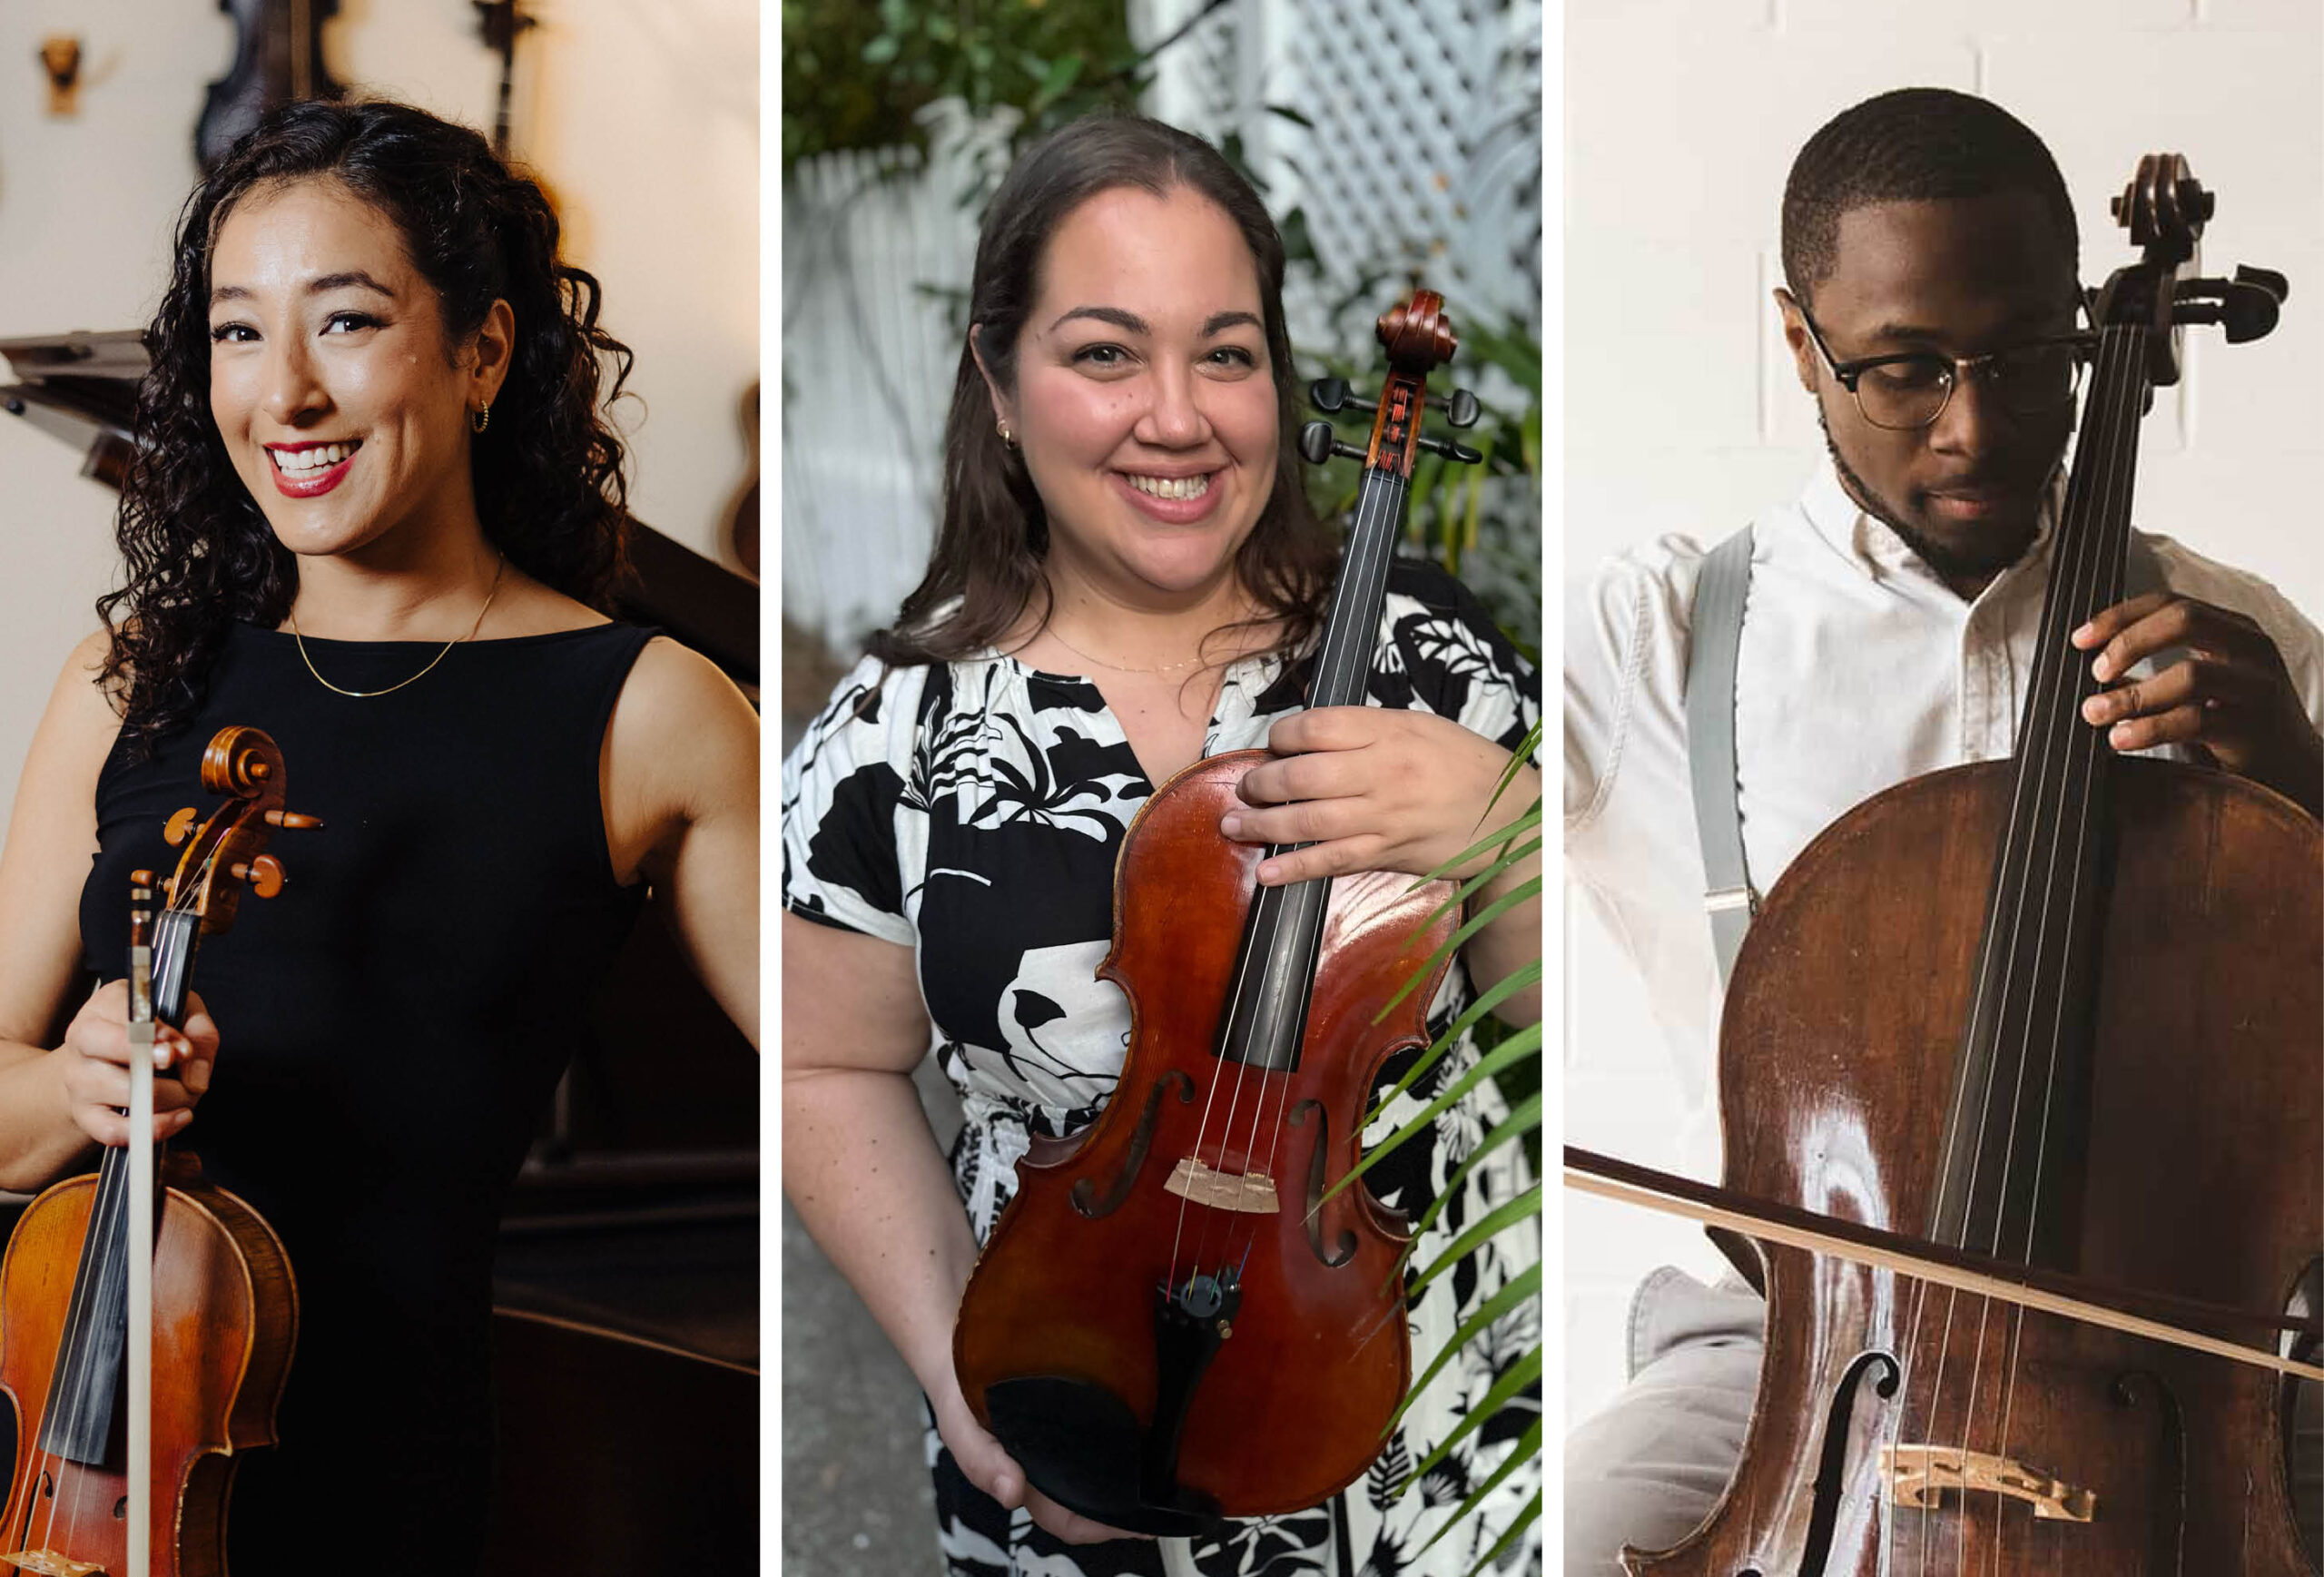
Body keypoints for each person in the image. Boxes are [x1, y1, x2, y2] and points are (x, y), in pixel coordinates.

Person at [1562, 87, 2324, 1574]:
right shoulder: (1655, 636)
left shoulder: (2240, 646)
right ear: (1803, 345)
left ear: (2092, 340)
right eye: (1904, 370)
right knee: (1593, 1539)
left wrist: (2302, 776)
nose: (1976, 425)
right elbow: (1460, 830)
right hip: (1802, 1344)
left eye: (2032, 360)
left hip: (2190, 1340)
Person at [0, 100, 758, 1571]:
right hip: (73, 1465)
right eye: (235, 333)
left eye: (344, 322)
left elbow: (824, 1068)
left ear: (482, 351)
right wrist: (72, 1091)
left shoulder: (646, 711)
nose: (281, 394)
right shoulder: (130, 676)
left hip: (380, 1495)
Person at [782, 113, 1541, 1576]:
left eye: (1229, 351)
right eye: (1107, 352)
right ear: (1001, 386)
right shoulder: (893, 735)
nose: (1179, 416)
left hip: (1430, 1456)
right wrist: (966, 1372)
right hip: (1069, 1439)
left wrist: (1501, 823)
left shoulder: (1434, 673)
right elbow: (828, 1065)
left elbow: (1555, 1041)